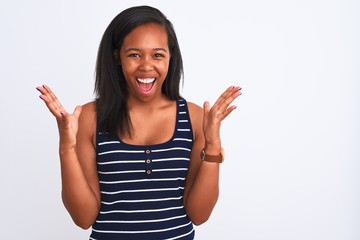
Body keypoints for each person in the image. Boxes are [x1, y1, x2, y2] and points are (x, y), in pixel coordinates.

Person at [37, 5, 241, 240]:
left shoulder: (194, 118)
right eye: (134, 54)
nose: (146, 66)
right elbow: (84, 219)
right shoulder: (90, 118)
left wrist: (213, 143)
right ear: (117, 57)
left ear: (170, 57)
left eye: (157, 55)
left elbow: (199, 215)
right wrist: (66, 147)